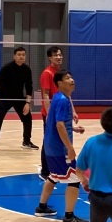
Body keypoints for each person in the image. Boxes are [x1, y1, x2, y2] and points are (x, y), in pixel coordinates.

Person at [34, 71, 89, 222]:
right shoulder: (63, 100)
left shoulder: (57, 98)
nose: (72, 80)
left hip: (50, 146)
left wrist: (73, 129)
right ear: (59, 83)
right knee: (75, 179)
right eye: (67, 78)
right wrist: (70, 148)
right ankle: (69, 217)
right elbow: (59, 125)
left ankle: (42, 207)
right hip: (60, 149)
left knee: (54, 176)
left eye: (71, 77)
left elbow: (56, 122)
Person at [0, 46, 36, 152]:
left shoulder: (27, 70)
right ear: (14, 56)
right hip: (4, 98)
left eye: (23, 55)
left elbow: (29, 87)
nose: (21, 57)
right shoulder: (6, 68)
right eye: (19, 55)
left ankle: (26, 141)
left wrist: (27, 103)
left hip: (18, 98)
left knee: (27, 118)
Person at [38, 47, 74, 180]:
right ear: (50, 58)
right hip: (50, 113)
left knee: (58, 138)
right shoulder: (47, 73)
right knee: (48, 140)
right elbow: (45, 95)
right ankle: (45, 171)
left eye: (60, 55)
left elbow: (67, 94)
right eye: (55, 55)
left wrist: (73, 111)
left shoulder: (61, 73)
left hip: (60, 111)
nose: (58, 57)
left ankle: (57, 168)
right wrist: (49, 116)